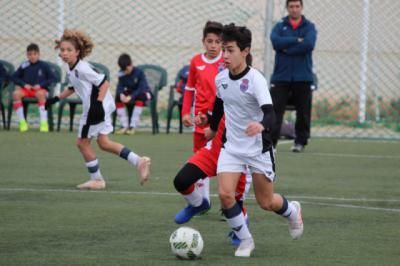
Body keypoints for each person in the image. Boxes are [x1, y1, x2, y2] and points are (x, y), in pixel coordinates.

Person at [207, 23, 303, 257]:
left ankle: (292, 211)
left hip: (258, 148)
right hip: (232, 148)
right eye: (224, 50)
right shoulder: (221, 79)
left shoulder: (256, 80)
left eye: (230, 50)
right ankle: (246, 241)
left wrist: (261, 125)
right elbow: (219, 108)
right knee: (225, 194)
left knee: (266, 202)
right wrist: (208, 126)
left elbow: (271, 113)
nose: (225, 55)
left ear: (245, 51)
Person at [46, 29, 151, 189]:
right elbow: (73, 87)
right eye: (62, 50)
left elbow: (104, 83)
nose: (65, 53)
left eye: (69, 50)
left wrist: (97, 104)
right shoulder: (71, 68)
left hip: (97, 108)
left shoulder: (83, 68)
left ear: (77, 52)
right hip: (104, 107)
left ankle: (97, 179)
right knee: (104, 143)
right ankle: (139, 161)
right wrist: (55, 98)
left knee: (82, 143)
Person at [173, 116, 251, 246]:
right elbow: (218, 108)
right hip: (215, 150)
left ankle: (243, 225)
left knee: (231, 202)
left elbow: (267, 115)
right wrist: (208, 119)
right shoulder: (224, 96)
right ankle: (198, 204)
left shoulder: (256, 99)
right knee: (181, 181)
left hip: (239, 157)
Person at [181, 21, 226, 207]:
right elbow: (189, 88)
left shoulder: (226, 62)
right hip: (200, 121)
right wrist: (185, 113)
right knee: (199, 161)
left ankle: (231, 204)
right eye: (210, 41)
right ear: (203, 41)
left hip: (221, 121)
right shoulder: (196, 61)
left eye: (217, 41)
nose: (213, 45)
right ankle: (202, 201)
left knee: (224, 160)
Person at [270, 0, 317, 152]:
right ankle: (271, 143)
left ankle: (300, 142)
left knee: (303, 112)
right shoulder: (279, 26)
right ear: (287, 8)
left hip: (303, 76)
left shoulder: (309, 27)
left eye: (297, 6)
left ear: (301, 8)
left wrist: (286, 50)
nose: (294, 9)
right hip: (281, 76)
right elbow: (275, 42)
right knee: (275, 111)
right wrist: (296, 40)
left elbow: (309, 44)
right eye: (291, 6)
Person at [11, 43, 57, 132]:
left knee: (40, 94)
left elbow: (53, 78)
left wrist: (41, 85)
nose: (32, 56)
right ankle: (22, 122)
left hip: (40, 90)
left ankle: (44, 123)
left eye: (34, 54)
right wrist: (24, 84)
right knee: (16, 94)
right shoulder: (24, 65)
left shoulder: (44, 66)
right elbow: (14, 77)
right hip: (26, 90)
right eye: (30, 54)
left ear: (38, 54)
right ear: (27, 55)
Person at [114, 53, 152, 135]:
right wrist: (121, 94)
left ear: (130, 65)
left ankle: (132, 126)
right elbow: (120, 87)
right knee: (117, 97)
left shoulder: (139, 72)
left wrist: (131, 96)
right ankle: (124, 126)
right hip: (130, 94)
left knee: (140, 96)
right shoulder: (121, 74)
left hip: (144, 93)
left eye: (126, 70)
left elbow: (142, 88)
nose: (125, 72)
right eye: (123, 70)